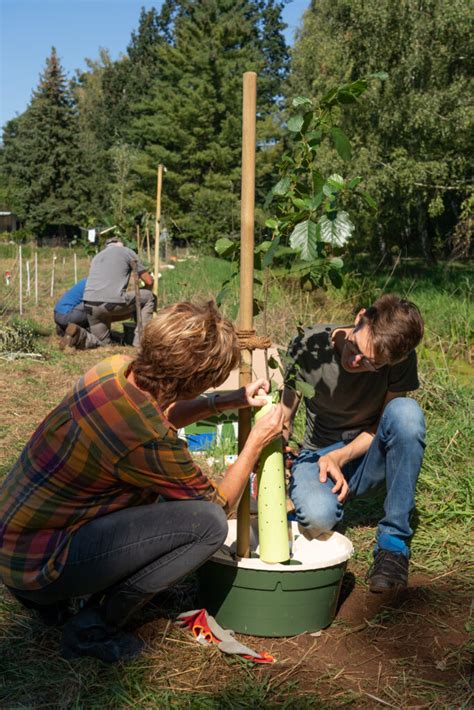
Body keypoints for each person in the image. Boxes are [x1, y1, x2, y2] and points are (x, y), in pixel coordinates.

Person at [0, 301, 284, 663]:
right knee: (207, 525)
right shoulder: (144, 439)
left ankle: (65, 597)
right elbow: (219, 504)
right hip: (42, 567)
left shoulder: (114, 370)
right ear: (194, 380)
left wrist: (229, 400)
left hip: (19, 543)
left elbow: (161, 412)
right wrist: (255, 443)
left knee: (167, 502)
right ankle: (92, 628)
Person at [282, 294, 425, 592]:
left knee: (407, 414)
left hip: (368, 456)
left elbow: (389, 420)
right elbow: (285, 415)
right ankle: (320, 498)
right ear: (360, 317)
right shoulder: (308, 345)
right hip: (317, 457)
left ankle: (393, 544)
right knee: (318, 518)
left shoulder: (400, 357)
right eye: (356, 348)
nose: (355, 361)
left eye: (370, 364)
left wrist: (343, 456)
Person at [61, 237, 155, 350]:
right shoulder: (126, 251)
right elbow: (148, 281)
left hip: (90, 305)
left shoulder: (97, 256)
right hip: (110, 303)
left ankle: (79, 335)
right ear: (120, 244)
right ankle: (140, 344)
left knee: (103, 342)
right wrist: (141, 295)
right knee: (149, 297)